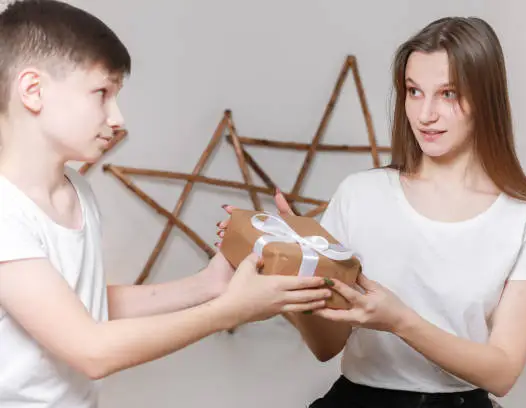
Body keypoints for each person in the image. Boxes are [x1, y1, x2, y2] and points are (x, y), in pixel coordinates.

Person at [0, 1, 333, 407]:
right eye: (101, 93)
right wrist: (229, 310)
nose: (118, 117)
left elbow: (84, 305)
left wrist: (209, 286)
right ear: (33, 90)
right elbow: (91, 350)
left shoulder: (76, 191)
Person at [219, 16, 526, 408]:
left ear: (487, 98)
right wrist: (295, 266)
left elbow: (501, 373)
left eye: (448, 94)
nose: (425, 114)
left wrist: (400, 321)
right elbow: (326, 347)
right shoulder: (359, 193)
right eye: (414, 91)